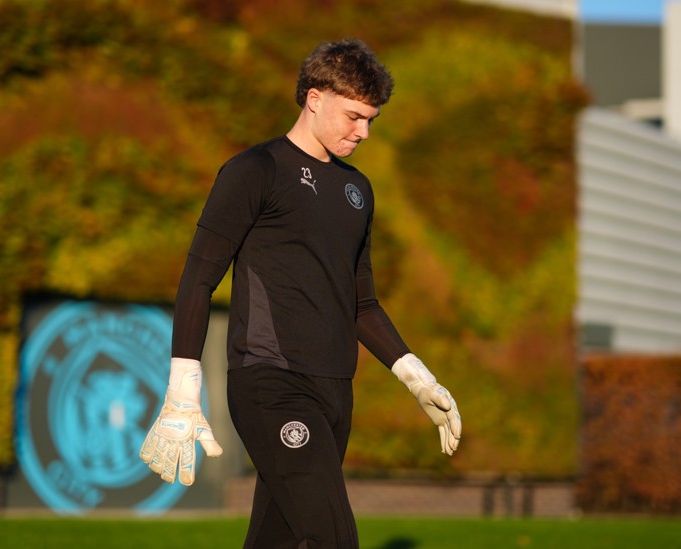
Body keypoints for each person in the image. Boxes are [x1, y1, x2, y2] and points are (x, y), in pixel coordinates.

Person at [139, 38, 462, 548]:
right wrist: (182, 392)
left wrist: (415, 375)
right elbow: (199, 279)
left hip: (336, 390)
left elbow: (362, 304)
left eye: (372, 120)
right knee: (333, 537)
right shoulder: (254, 171)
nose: (364, 131)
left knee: (279, 539)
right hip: (271, 385)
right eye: (354, 116)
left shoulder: (358, 191)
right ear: (314, 98)